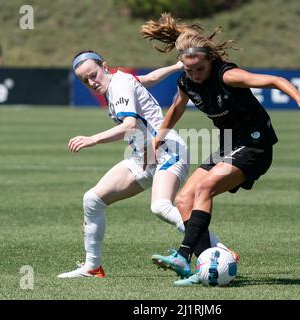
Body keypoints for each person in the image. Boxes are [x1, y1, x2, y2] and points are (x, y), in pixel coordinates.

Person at [140, 13, 300, 286]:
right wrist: (158, 138)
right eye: (188, 70)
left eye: (199, 69)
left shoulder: (228, 75)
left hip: (255, 145)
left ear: (210, 61)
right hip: (229, 145)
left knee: (205, 189)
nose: (195, 75)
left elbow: (273, 80)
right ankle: (202, 266)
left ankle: (183, 255)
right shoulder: (187, 81)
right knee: (182, 201)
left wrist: (299, 98)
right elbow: (177, 108)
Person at [57, 50, 230, 278]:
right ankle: (92, 267)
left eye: (93, 74)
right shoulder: (122, 81)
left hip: (167, 151)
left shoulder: (118, 86)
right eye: (84, 80)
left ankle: (218, 249)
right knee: (92, 200)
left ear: (104, 66)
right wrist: (176, 66)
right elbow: (150, 79)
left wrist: (92, 139)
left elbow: (129, 124)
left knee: (160, 206)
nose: (91, 82)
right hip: (142, 157)